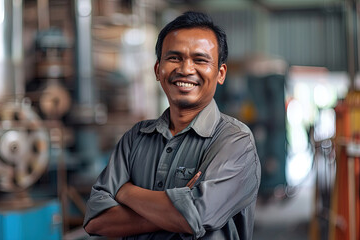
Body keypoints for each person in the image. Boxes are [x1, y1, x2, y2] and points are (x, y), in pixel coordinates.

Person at [83, 11, 261, 240]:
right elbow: (96, 220)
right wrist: (177, 209)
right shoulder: (135, 138)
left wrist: (125, 191)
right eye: (174, 58)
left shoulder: (235, 141)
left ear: (220, 73)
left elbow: (196, 216)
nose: (186, 69)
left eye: (200, 59)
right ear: (158, 70)